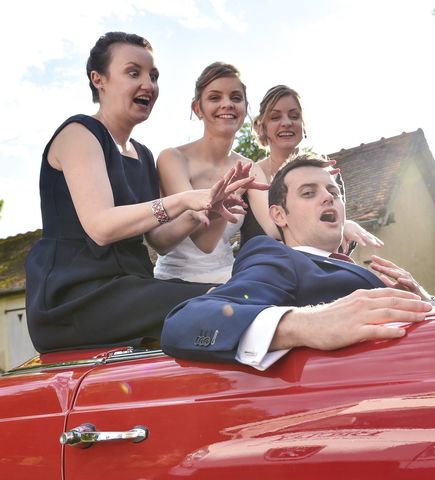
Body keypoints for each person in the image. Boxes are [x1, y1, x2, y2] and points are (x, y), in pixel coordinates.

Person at [25, 32, 260, 353]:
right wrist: (183, 199)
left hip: (132, 289)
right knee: (225, 303)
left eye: (154, 76)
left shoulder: (143, 155)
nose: (148, 84)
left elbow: (160, 241)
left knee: (240, 294)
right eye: (133, 72)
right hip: (75, 299)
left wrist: (208, 211)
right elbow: (101, 227)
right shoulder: (78, 134)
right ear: (99, 79)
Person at [161, 155, 435, 370]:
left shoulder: (353, 265)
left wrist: (426, 301)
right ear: (279, 215)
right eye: (308, 193)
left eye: (333, 192)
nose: (329, 197)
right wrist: (308, 324)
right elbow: (185, 322)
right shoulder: (276, 257)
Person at [154, 62, 266, 283]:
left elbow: (274, 228)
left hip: (228, 276)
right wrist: (222, 202)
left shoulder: (250, 168)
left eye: (235, 98)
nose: (227, 104)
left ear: (245, 107)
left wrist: (338, 223)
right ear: (198, 109)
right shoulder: (173, 158)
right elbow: (203, 240)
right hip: (175, 282)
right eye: (215, 98)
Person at [241, 85, 383, 253]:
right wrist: (345, 225)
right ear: (262, 126)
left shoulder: (328, 175)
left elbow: (333, 238)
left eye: (294, 116)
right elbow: (275, 231)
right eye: (275, 117)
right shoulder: (251, 175)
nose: (286, 123)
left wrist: (343, 227)